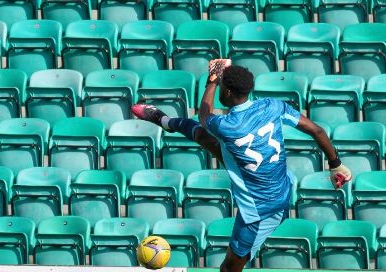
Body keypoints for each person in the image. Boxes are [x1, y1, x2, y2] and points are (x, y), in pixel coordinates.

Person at [132, 59, 352, 272]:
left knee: (229, 269)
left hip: (261, 211)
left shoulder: (226, 125)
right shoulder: (272, 106)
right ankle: (162, 119)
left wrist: (212, 80)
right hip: (279, 184)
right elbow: (317, 131)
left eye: (221, 88)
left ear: (226, 92)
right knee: (204, 137)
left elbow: (204, 114)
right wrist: (336, 165)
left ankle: (164, 121)